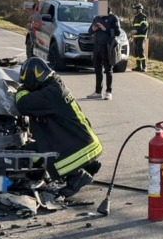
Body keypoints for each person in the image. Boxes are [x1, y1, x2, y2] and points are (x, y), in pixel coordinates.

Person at [15, 56, 103, 198]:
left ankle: (77, 176)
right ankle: (87, 165)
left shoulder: (51, 94)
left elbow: (22, 103)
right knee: (36, 151)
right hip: (85, 141)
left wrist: (21, 90)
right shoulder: (55, 84)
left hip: (77, 146)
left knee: (29, 155)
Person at [89, 7, 122, 99]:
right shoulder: (96, 19)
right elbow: (89, 31)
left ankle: (108, 92)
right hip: (97, 47)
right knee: (97, 69)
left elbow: (117, 32)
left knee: (108, 69)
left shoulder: (113, 18)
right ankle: (98, 91)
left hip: (107, 47)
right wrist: (93, 29)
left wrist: (105, 28)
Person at [130, 3, 150, 72]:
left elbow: (144, 27)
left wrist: (136, 31)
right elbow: (134, 27)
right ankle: (138, 66)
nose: (133, 11)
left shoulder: (143, 17)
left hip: (141, 36)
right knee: (136, 52)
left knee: (140, 50)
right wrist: (132, 35)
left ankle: (144, 66)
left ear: (139, 10)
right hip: (136, 37)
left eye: (135, 9)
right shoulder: (135, 17)